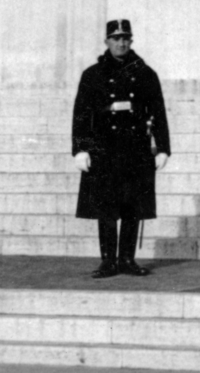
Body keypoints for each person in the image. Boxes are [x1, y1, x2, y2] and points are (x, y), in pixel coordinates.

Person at [71, 19, 170, 279]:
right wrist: (80, 149)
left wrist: (162, 148)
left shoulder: (145, 73)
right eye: (116, 38)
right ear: (107, 42)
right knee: (106, 207)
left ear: (131, 41)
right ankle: (108, 262)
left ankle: (127, 259)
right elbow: (82, 115)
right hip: (104, 148)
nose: (121, 43)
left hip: (135, 148)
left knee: (132, 207)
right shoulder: (92, 74)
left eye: (126, 38)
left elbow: (158, 112)